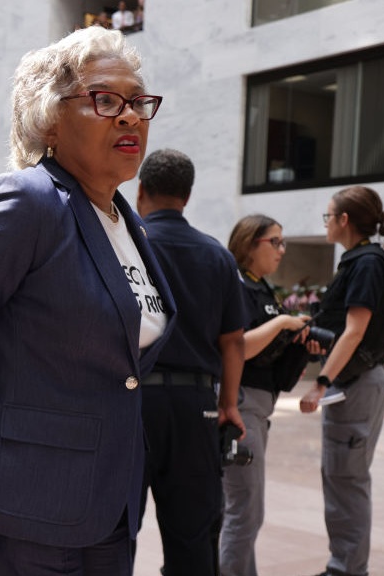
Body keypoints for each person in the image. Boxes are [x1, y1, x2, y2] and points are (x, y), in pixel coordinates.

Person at [0, 25, 175, 576]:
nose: (130, 116)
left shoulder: (126, 221)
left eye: (139, 102)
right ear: (48, 117)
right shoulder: (29, 199)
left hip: (108, 507)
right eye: (105, 99)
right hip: (20, 510)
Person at [133, 148, 246, 576]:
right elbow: (233, 342)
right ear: (188, 196)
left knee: (112, 531)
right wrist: (229, 405)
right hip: (196, 406)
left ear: (141, 190)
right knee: (193, 538)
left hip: (132, 402)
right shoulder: (217, 255)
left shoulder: (126, 245)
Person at [299, 186, 384, 576]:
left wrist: (321, 382)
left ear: (344, 220)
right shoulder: (359, 261)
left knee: (347, 478)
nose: (325, 223)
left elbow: (355, 331)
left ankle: (348, 569)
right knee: (341, 477)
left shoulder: (368, 263)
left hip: (354, 383)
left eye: (328, 216)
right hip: (352, 382)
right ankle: (344, 565)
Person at [220, 214, 321, 576]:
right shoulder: (235, 285)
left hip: (257, 402)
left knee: (242, 510)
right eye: (275, 242)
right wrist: (281, 323)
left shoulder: (262, 289)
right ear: (250, 243)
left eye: (283, 242)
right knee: (244, 510)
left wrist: (300, 346)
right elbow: (239, 348)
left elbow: (272, 364)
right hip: (239, 400)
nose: (282, 250)